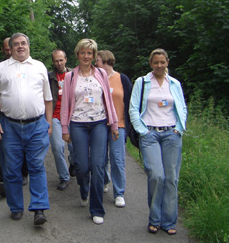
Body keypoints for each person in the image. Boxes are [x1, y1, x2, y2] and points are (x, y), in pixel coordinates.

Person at [0, 33, 53, 226]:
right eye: (16, 44)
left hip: (37, 125)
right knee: (11, 170)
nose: (20, 47)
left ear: (28, 46)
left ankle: (39, 208)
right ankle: (16, 207)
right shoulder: (0, 69)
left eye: (23, 43)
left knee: (36, 166)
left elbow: (48, 99)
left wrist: (49, 123)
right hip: (9, 126)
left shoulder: (39, 67)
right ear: (10, 48)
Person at [129, 48, 187, 236]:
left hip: (172, 134)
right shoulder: (142, 82)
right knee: (156, 175)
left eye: (162, 62)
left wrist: (179, 128)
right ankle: (154, 218)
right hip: (150, 135)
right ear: (151, 64)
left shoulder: (174, 84)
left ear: (167, 62)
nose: (159, 65)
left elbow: (182, 107)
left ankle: (169, 221)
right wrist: (143, 131)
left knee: (171, 179)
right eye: (156, 62)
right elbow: (133, 108)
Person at [60, 39, 118, 225]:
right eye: (83, 53)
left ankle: (97, 209)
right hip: (77, 125)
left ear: (94, 56)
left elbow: (108, 100)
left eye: (90, 53)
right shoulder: (70, 77)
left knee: (98, 165)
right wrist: (64, 128)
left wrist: (114, 124)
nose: (86, 56)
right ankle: (83, 189)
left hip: (99, 124)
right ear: (77, 55)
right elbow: (65, 105)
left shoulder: (101, 73)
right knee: (82, 167)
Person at [0, 38, 29, 197]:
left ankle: (23, 173)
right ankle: (2, 181)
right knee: (1, 146)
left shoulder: (24, 65)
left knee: (23, 144)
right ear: (3, 49)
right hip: (1, 113)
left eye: (9, 48)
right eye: (5, 49)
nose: (8, 51)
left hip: (22, 114)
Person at [95, 50, 132, 208]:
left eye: (97, 60)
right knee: (100, 159)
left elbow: (130, 102)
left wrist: (130, 126)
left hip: (119, 125)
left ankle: (119, 193)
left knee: (117, 160)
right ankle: (104, 181)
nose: (94, 63)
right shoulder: (96, 78)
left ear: (105, 61)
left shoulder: (122, 79)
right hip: (100, 124)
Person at [48, 49, 75, 191]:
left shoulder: (74, 74)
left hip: (73, 116)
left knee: (74, 148)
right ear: (53, 62)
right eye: (56, 61)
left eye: (61, 60)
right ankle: (64, 177)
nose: (59, 63)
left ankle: (73, 163)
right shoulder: (49, 77)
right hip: (55, 116)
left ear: (66, 59)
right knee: (58, 147)